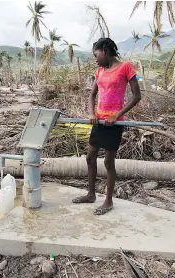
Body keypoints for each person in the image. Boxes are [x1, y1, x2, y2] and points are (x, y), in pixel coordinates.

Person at [72, 38, 142, 215]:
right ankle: (91, 194)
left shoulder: (126, 67)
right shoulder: (99, 71)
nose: (96, 59)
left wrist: (116, 115)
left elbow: (136, 96)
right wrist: (91, 113)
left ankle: (108, 201)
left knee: (108, 162)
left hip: (115, 122)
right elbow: (92, 95)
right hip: (99, 121)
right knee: (90, 157)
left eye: (96, 55)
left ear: (105, 50)